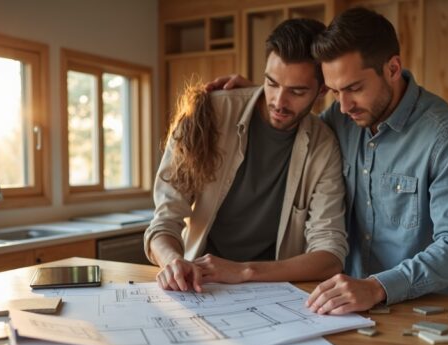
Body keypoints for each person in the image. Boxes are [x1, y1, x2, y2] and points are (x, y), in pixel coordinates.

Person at [208, 7, 448, 314]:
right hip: (344, 307)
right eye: (335, 92)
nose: (343, 106)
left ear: (392, 68)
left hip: (426, 307)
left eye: (354, 88)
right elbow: (293, 122)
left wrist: (378, 287)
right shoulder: (339, 121)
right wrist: (257, 97)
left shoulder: (445, 135)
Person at [145, 18, 348, 293]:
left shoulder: (323, 145)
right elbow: (164, 221)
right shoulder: (209, 114)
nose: (278, 101)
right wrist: (172, 261)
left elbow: (330, 255)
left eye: (297, 92)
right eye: (271, 83)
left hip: (274, 289)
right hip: (200, 283)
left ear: (322, 90)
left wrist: (244, 271)